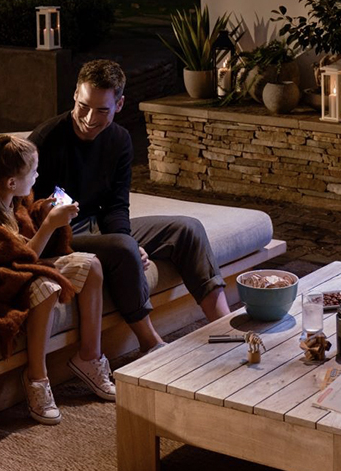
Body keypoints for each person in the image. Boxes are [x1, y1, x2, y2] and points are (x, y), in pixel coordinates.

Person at [29, 60, 229, 355]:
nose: (88, 118)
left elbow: (117, 205)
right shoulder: (46, 141)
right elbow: (30, 212)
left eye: (102, 110)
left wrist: (130, 240)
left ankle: (225, 328)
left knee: (188, 229)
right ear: (75, 94)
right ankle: (151, 344)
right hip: (58, 237)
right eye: (83, 105)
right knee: (123, 248)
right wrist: (127, 245)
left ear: (120, 104)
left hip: (98, 226)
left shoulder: (119, 141)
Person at [0, 134, 116, 425]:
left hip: (19, 271)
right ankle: (37, 379)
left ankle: (89, 358)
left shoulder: (13, 202)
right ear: (11, 182)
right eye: (33, 171)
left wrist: (45, 211)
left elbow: (25, 240)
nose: (38, 175)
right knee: (46, 286)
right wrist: (51, 225)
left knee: (91, 265)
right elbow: (15, 261)